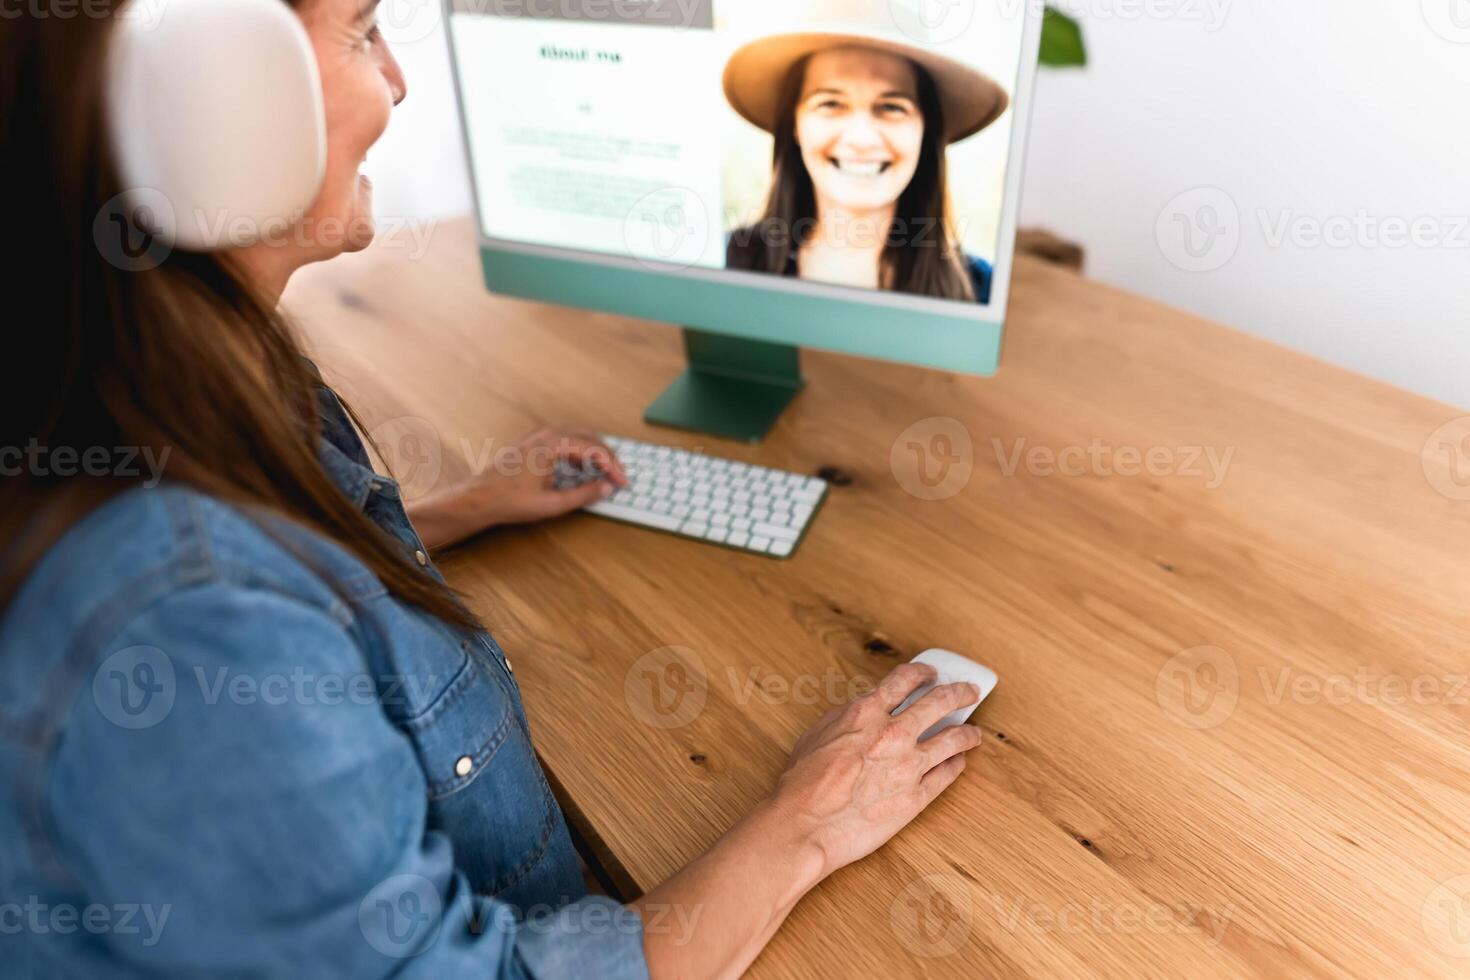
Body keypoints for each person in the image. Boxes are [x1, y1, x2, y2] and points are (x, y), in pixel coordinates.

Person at [0, 2, 985, 976]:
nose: (397, 81)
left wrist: (454, 509)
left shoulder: (180, 374)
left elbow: (298, 586)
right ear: (202, 78)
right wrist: (808, 821)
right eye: (359, 31)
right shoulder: (190, 618)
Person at [723, 27, 1009, 303]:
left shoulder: (983, 292)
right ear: (795, 124)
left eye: (892, 107)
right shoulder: (724, 263)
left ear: (925, 129)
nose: (861, 139)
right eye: (831, 104)